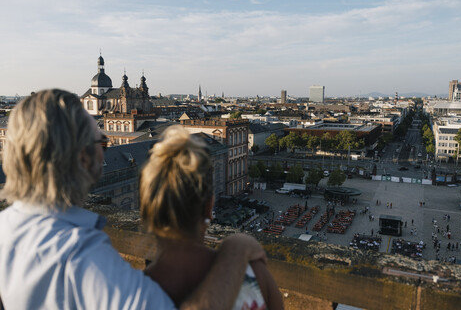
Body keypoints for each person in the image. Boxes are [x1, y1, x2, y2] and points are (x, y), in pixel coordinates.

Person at [0, 89, 266, 309]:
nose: (105, 154)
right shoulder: (80, 255)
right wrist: (237, 248)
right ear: (82, 158)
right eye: (101, 143)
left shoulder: (6, 227)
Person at [139, 126, 284, 309]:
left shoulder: (128, 296)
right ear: (209, 207)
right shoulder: (255, 277)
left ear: (145, 213)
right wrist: (239, 245)